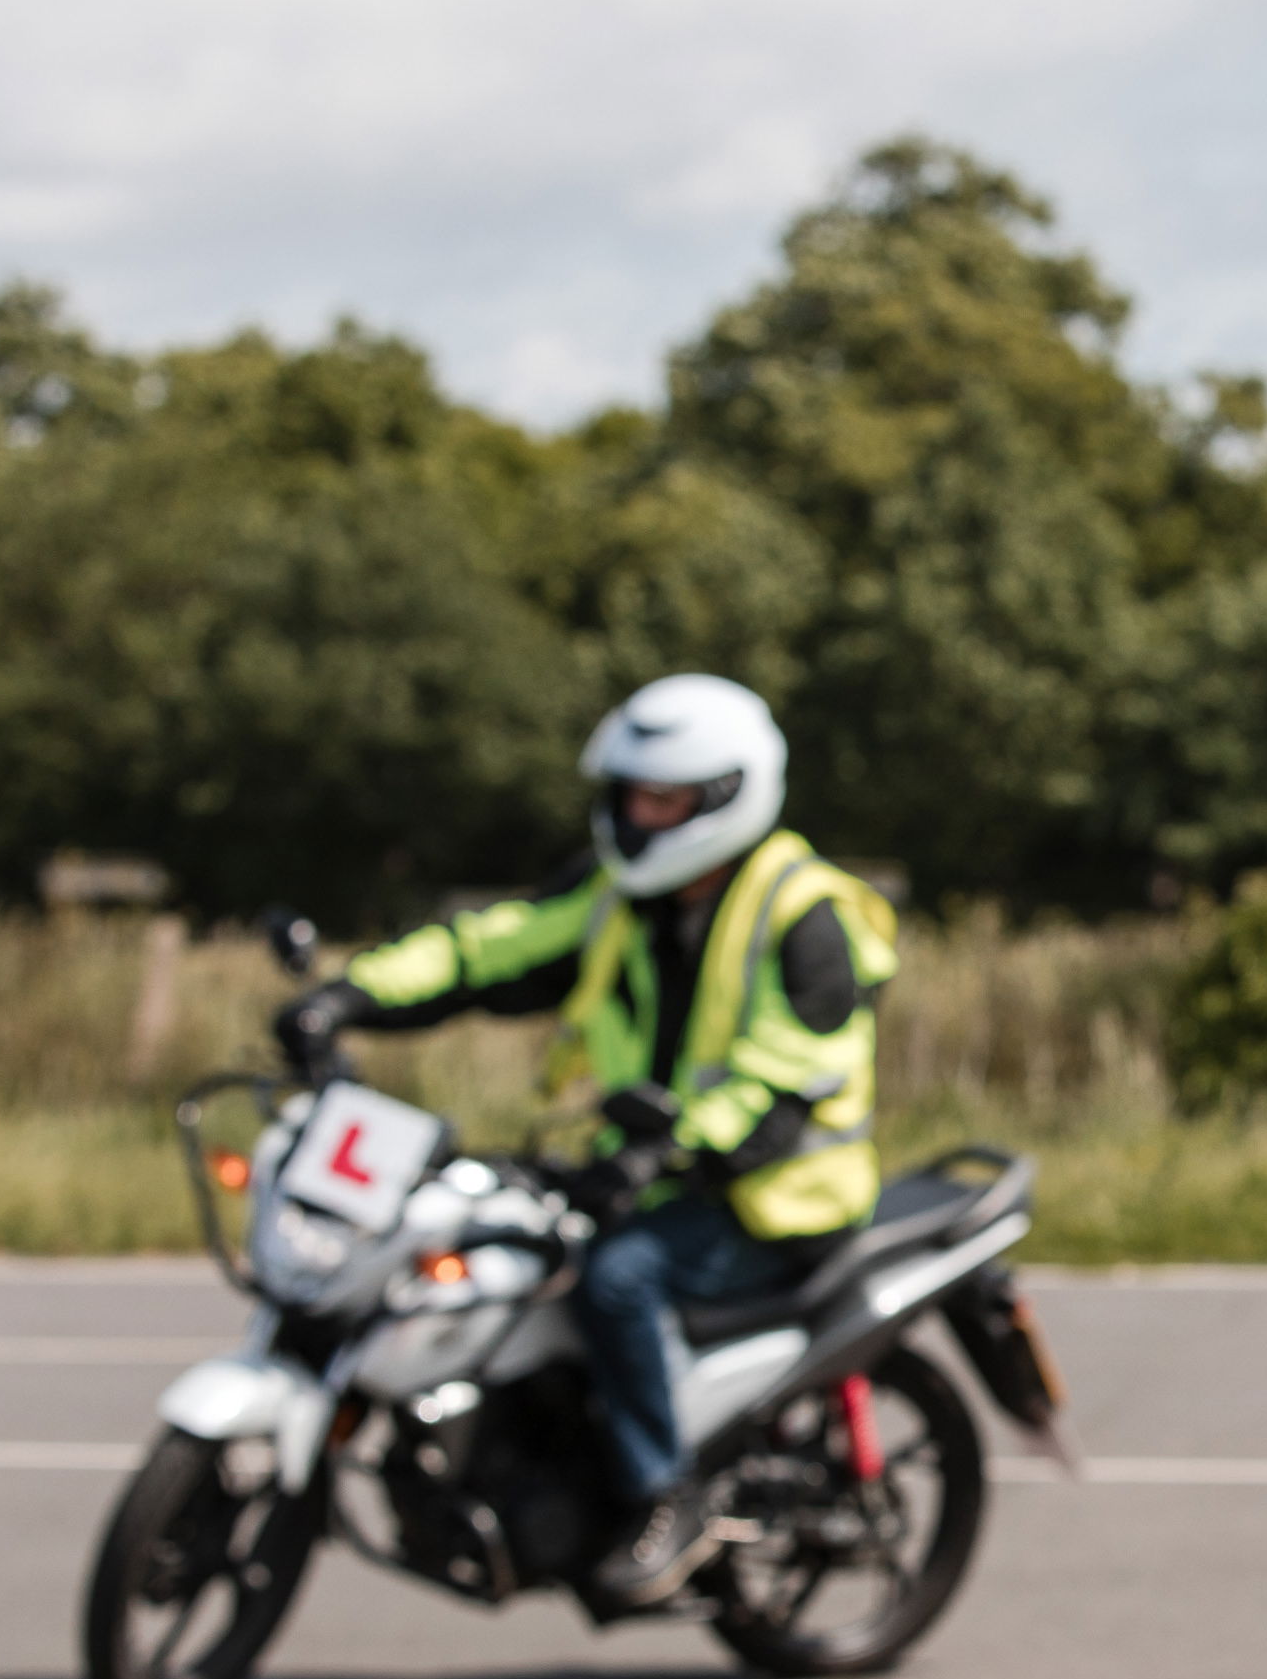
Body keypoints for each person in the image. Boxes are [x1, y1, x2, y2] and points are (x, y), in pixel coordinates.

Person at [276, 673, 897, 1611]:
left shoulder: (806, 915)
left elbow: (780, 1084)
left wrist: (669, 1149)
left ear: (724, 796)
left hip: (777, 1196)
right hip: (652, 1171)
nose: (637, 819)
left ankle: (666, 1491)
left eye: (662, 801)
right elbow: (483, 951)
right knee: (507, 1246)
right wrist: (346, 997)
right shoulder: (617, 895)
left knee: (614, 1278)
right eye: (629, 796)